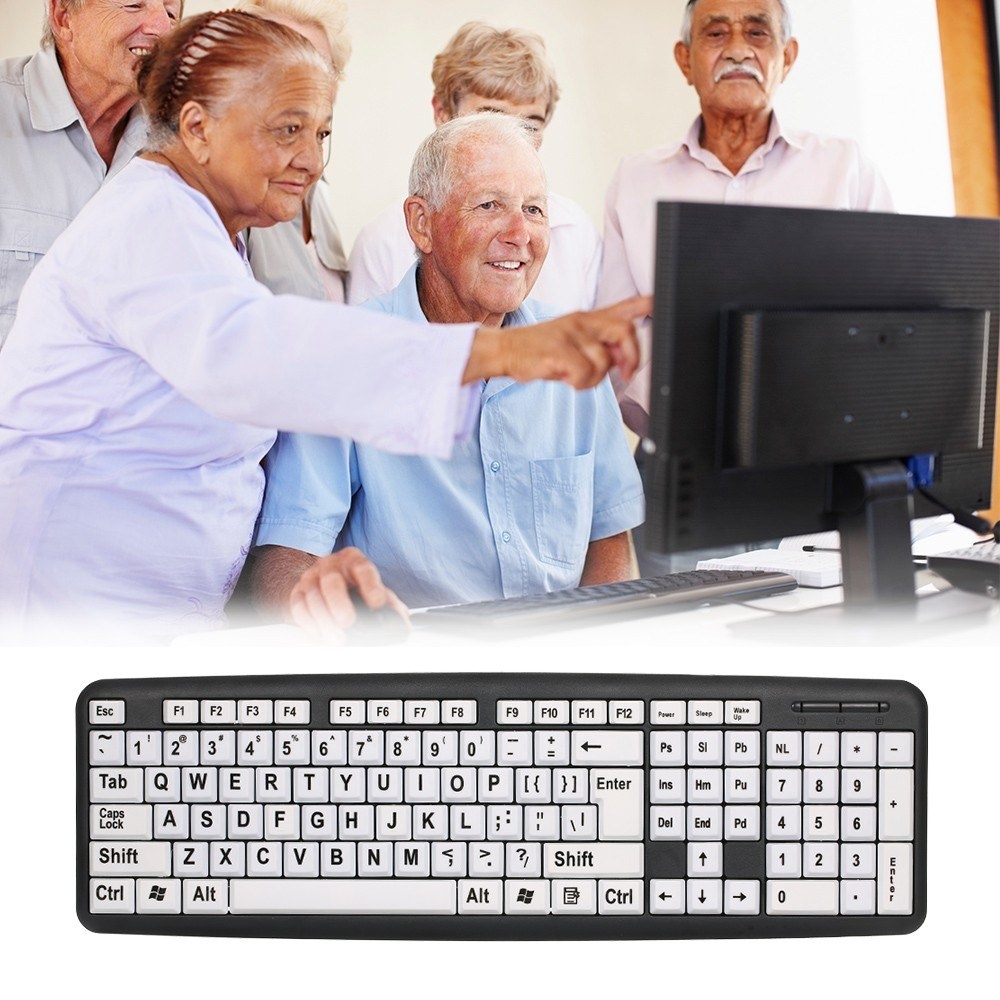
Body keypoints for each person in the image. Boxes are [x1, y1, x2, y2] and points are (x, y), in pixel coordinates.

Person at [0, 11, 646, 640]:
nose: (310, 160)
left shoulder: (217, 236)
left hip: (155, 618)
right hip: (71, 613)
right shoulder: (148, 222)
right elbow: (262, 355)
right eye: (287, 131)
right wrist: (501, 353)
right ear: (198, 127)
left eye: (321, 134)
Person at [252, 114, 645, 622]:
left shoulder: (573, 354)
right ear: (421, 223)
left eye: (534, 209)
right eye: (489, 206)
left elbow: (609, 542)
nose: (519, 233)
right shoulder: (345, 359)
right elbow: (288, 559)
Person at [598, 0, 894, 435]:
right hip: (680, 442)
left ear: (787, 57)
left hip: (822, 438)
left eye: (757, 33)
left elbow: (887, 313)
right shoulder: (636, 180)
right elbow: (617, 330)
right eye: (716, 33)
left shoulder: (845, 168)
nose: (738, 49)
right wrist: (685, 417)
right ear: (685, 60)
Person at [347, 21, 601, 314]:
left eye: (530, 124)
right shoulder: (382, 243)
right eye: (491, 117)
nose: (513, 138)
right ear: (442, 114)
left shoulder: (576, 232)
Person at [0, 0, 183, 346]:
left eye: (172, 12)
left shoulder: (182, 144)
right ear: (63, 16)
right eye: (133, 4)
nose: (162, 28)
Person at [237, 0, 351, 303]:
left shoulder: (318, 190)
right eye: (289, 67)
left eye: (321, 70)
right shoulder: (228, 200)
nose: (307, 85)